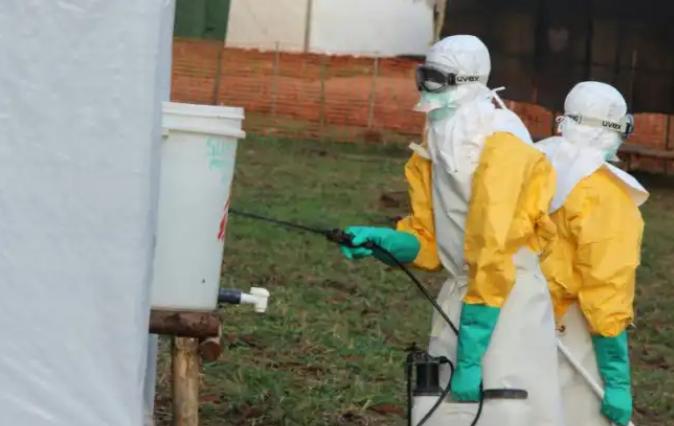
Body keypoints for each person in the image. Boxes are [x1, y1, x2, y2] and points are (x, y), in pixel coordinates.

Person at [340, 35, 564, 426]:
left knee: (503, 413)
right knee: (444, 413)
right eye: (422, 75)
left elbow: (493, 250)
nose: (425, 88)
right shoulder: (439, 139)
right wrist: (390, 243)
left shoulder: (502, 141)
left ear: (467, 80)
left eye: (435, 78)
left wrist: (473, 354)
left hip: (506, 302)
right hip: (464, 294)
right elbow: (431, 237)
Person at [536, 81, 649, 426]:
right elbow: (606, 287)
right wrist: (616, 379)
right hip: (571, 328)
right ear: (616, 129)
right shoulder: (604, 192)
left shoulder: (533, 162)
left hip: (519, 314)